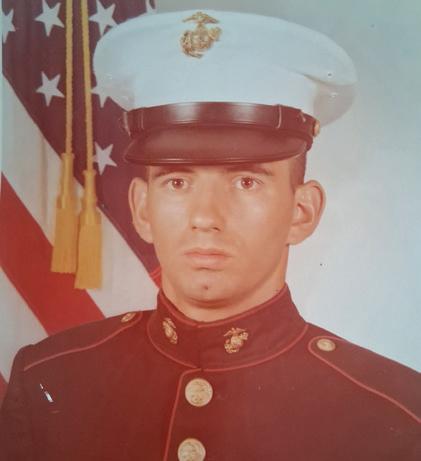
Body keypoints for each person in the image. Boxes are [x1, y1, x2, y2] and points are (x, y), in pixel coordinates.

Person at [1, 9, 420, 461]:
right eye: (178, 182)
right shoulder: (49, 379)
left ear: (301, 212)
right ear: (142, 208)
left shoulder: (397, 417)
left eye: (246, 181)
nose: (205, 217)